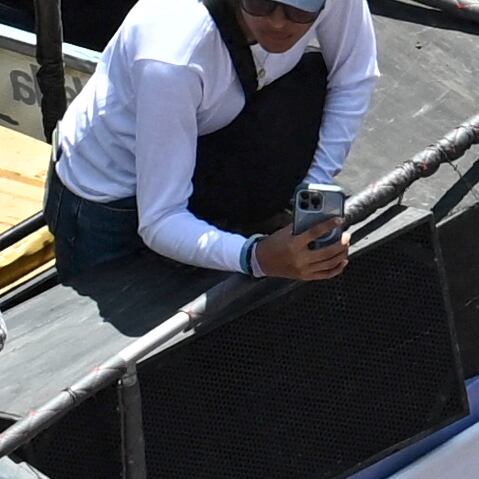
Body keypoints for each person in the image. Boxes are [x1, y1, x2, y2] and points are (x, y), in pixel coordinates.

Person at [40, 0, 370, 281]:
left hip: (200, 146)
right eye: (260, 1)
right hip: (110, 199)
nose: (278, 21)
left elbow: (354, 73)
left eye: (300, 9)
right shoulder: (172, 56)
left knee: (309, 78)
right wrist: (256, 257)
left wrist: (312, 191)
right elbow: (160, 220)